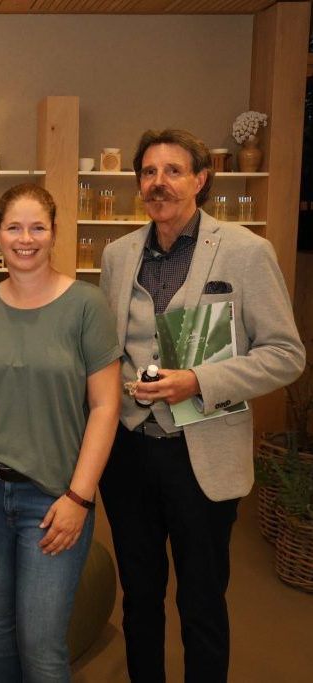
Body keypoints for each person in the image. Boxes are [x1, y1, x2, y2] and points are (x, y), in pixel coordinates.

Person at [99, 129, 305, 682]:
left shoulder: (246, 251)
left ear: (200, 180)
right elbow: (108, 351)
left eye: (173, 171)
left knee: (202, 602)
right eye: (148, 172)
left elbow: (286, 355)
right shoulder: (118, 255)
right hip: (129, 453)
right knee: (139, 597)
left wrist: (198, 380)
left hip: (201, 455)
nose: (158, 182)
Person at [0, 183, 121, 682]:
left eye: (37, 228)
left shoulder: (86, 305)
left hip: (53, 497)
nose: (26, 239)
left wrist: (79, 498)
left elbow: (105, 406)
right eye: (15, 228)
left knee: (41, 643)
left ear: (54, 233)